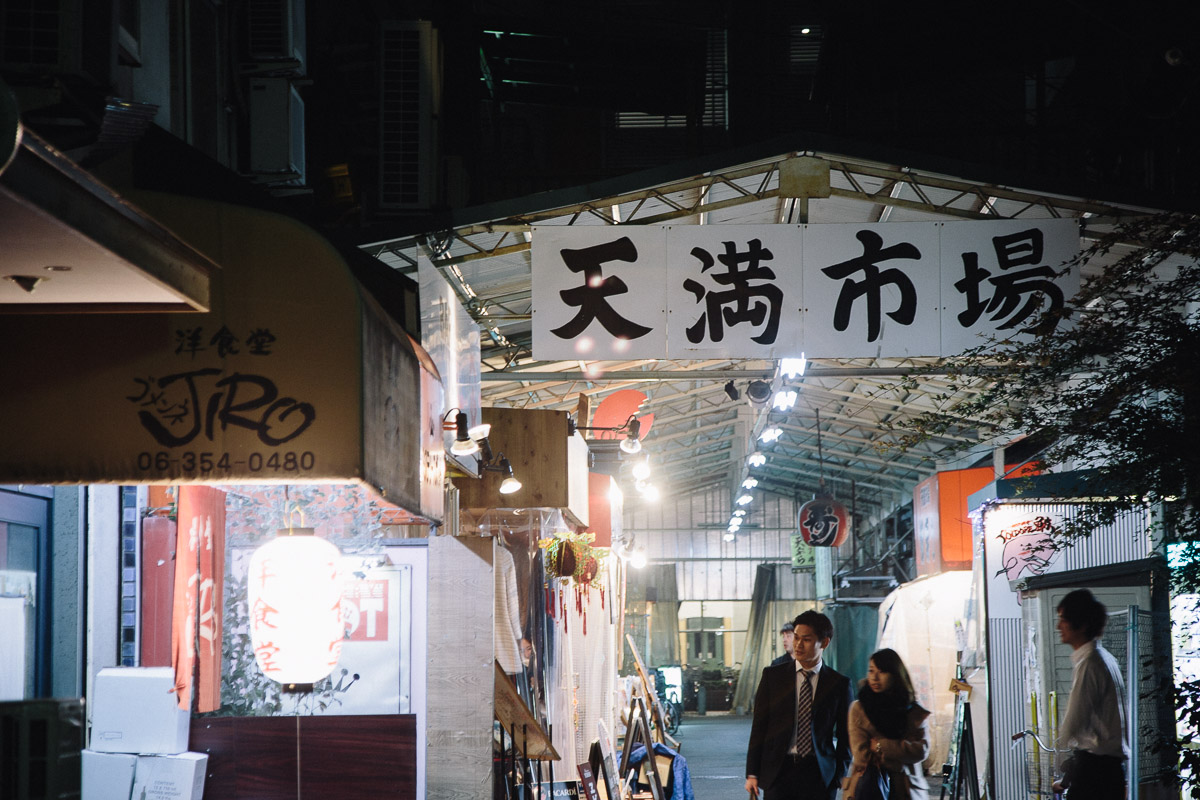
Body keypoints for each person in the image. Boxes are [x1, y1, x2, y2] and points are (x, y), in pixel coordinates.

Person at [745, 610, 853, 800]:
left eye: (807, 640)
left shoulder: (839, 684)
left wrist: (839, 775)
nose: (798, 645)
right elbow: (759, 726)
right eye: (796, 637)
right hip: (779, 772)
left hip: (819, 774)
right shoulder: (773, 677)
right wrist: (752, 773)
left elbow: (846, 735)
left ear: (824, 642)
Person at [1051, 589, 1129, 800]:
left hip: (1095, 770)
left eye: (1063, 619)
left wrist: (1060, 753)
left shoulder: (1090, 664)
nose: (1059, 626)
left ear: (1082, 624)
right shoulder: (1104, 658)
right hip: (1109, 769)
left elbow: (1075, 719)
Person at [843, 648, 930, 800]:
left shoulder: (913, 709)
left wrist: (880, 746)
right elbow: (862, 755)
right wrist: (901, 757)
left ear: (895, 674)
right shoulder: (860, 708)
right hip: (869, 787)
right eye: (871, 671)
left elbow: (921, 750)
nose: (874, 677)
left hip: (907, 789)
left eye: (882, 672)